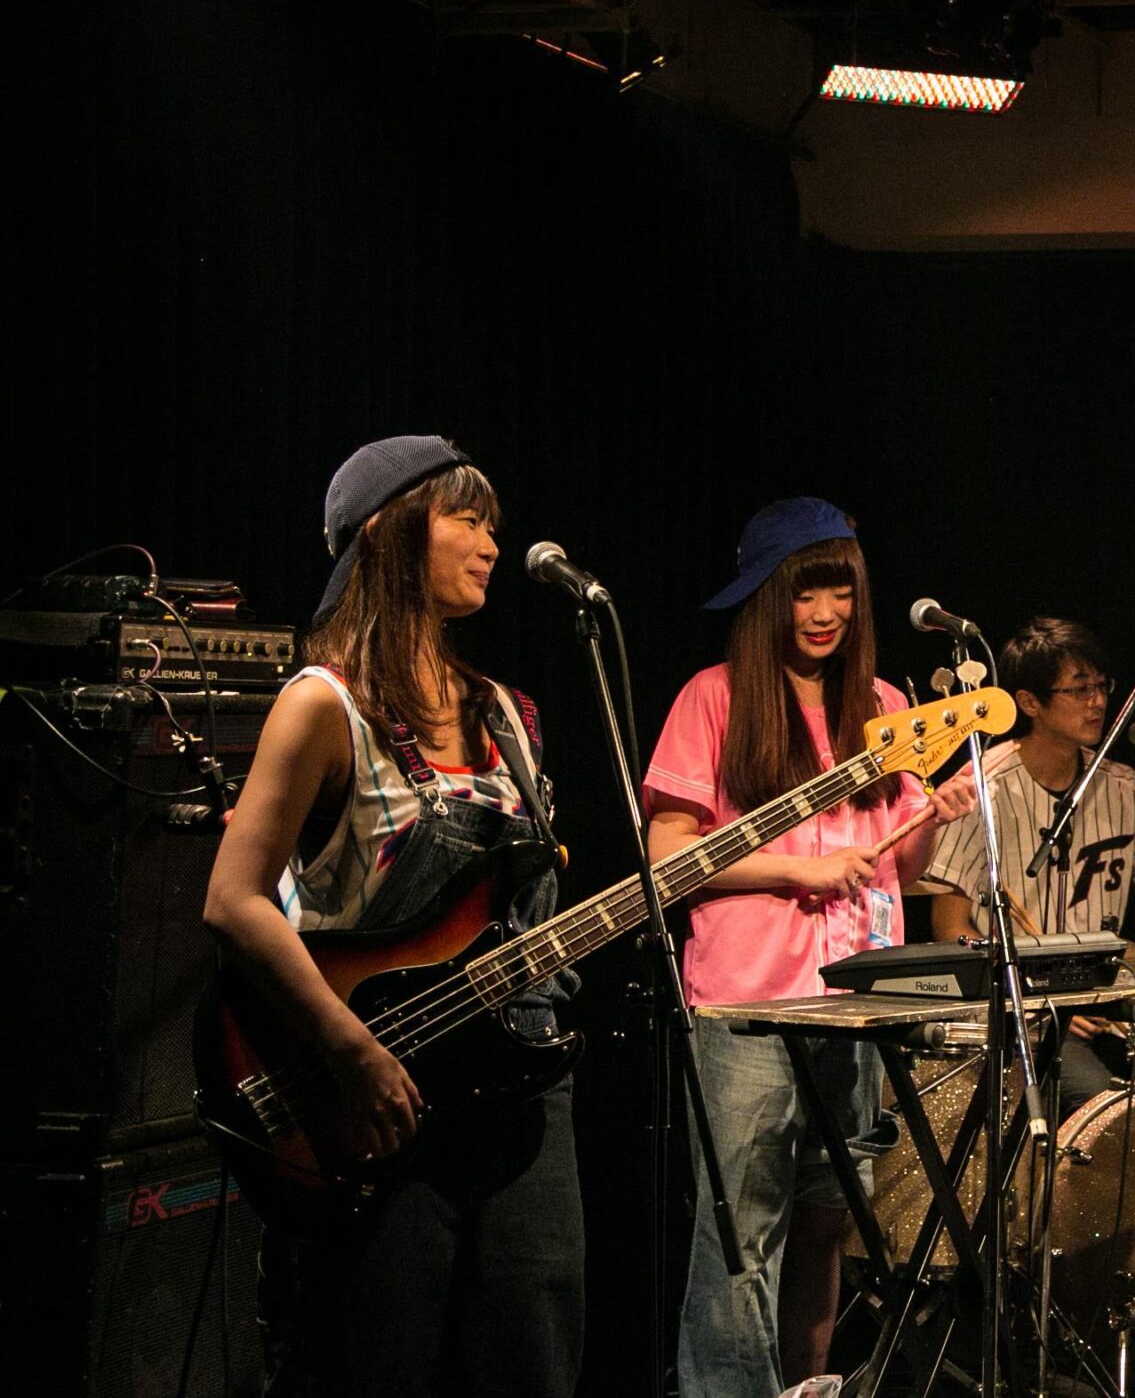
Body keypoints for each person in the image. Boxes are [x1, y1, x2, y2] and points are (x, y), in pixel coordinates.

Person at [203, 435, 582, 1398]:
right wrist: (353, 1051)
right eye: (467, 517)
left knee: (530, 1363)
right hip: (374, 1098)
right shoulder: (322, 705)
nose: (492, 542)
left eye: (494, 524)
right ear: (387, 531)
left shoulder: (507, 714)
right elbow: (232, 901)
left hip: (519, 1090)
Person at [642, 498, 976, 1398]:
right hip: (747, 1006)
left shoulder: (887, 705)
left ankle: (805, 1387)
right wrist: (797, 869)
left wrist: (934, 815)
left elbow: (901, 867)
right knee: (742, 1233)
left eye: (841, 591)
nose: (826, 612)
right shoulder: (712, 697)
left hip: (857, 1001)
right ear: (767, 597)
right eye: (805, 592)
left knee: (828, 1217)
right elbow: (666, 857)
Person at [921, 615, 1135, 1109]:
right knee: (1107, 1105)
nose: (1097, 701)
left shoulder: (1122, 787)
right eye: (1079, 690)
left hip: (1102, 1006)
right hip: (1015, 1018)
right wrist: (1037, 998)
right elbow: (949, 927)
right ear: (1029, 702)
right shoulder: (984, 789)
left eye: (1101, 686)